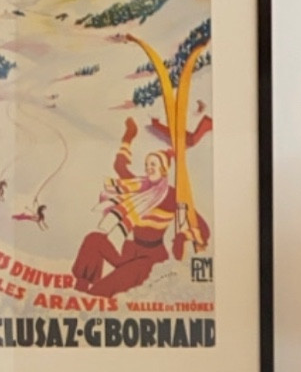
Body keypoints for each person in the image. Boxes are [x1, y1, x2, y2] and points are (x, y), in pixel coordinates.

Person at [71, 117, 209, 297]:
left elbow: (204, 229)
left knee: (102, 290)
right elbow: (120, 166)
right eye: (147, 164)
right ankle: (79, 291)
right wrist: (128, 137)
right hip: (130, 251)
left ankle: (93, 297)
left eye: (153, 164)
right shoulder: (139, 186)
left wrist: (183, 237)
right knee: (93, 240)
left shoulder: (173, 195)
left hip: (150, 260)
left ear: (164, 169)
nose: (148, 168)